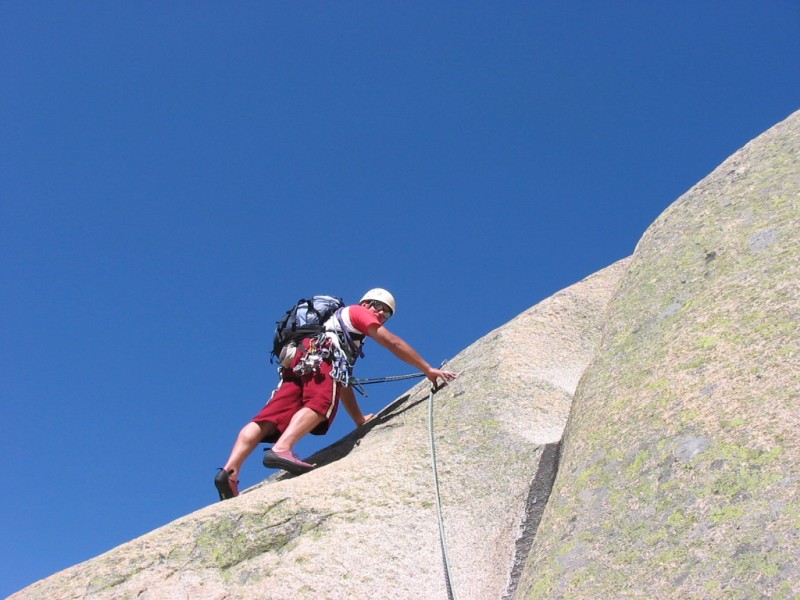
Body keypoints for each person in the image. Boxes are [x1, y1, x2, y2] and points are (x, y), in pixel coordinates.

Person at [214, 288, 457, 500]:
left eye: (387, 313)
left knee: (270, 418)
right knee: (320, 404)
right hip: (320, 357)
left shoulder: (339, 329)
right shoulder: (356, 313)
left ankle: (230, 472)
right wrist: (427, 368)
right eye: (380, 308)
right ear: (365, 304)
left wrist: (359, 420)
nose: (382, 315)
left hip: (299, 359)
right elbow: (392, 342)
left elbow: (341, 384)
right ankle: (282, 449)